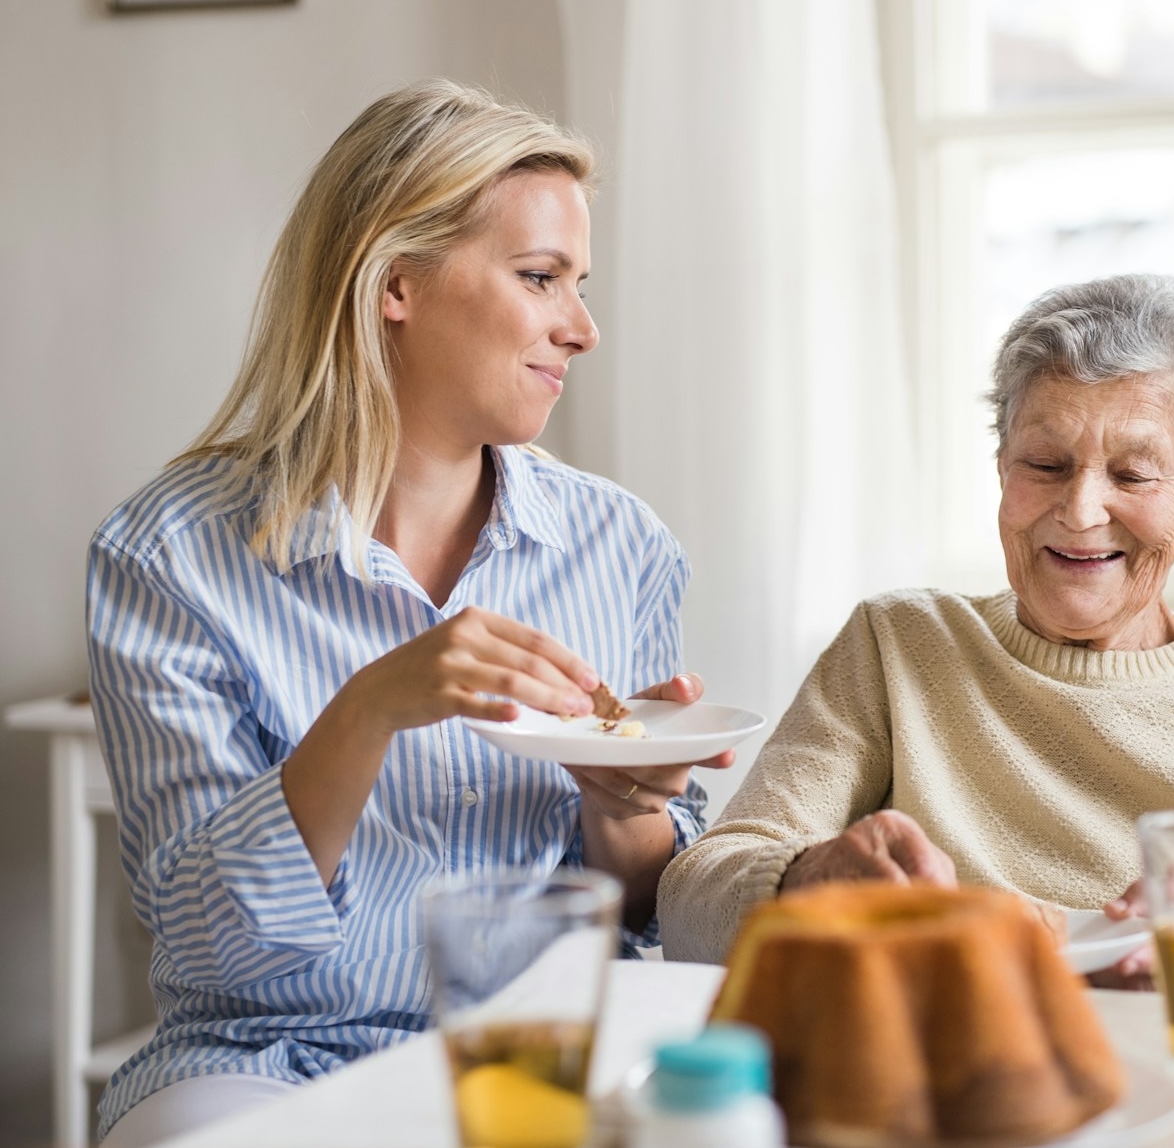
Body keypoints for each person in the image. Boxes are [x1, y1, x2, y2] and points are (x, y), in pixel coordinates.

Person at [87, 79, 731, 1146]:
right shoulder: (167, 554)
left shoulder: (621, 545)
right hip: (263, 1058)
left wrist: (625, 805)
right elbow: (206, 945)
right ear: (395, 284)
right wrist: (369, 705)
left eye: (578, 284)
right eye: (540, 279)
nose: (583, 327)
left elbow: (646, 903)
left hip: (548, 1041)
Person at [658, 274, 1174, 978]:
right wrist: (806, 881)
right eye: (1045, 464)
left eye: (1131, 475)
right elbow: (687, 909)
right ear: (1002, 466)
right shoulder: (900, 645)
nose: (1080, 510)